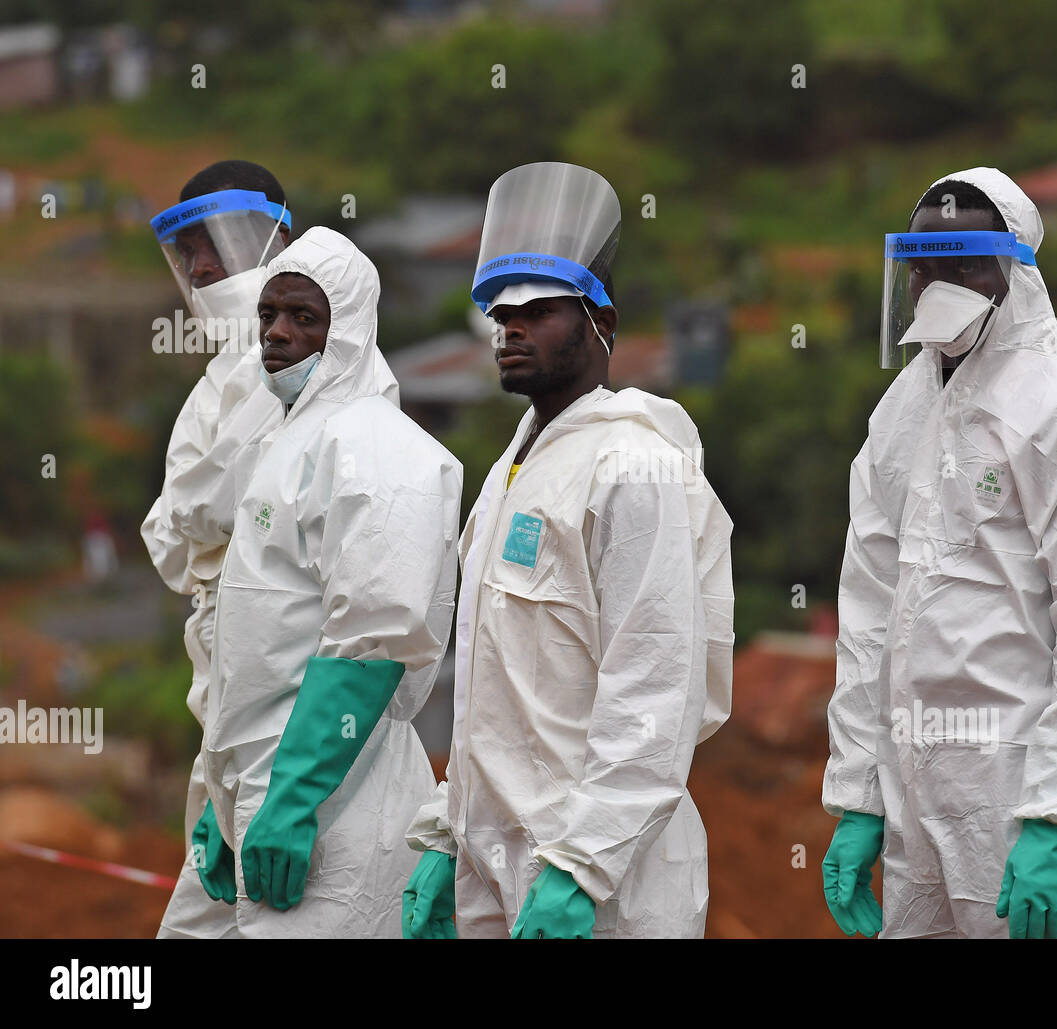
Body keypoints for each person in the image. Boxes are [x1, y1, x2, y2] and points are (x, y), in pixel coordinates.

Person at [821, 167, 1057, 939]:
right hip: (916, 802)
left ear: (1014, 272)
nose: (937, 282)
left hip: (1023, 800)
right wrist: (859, 793)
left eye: (965, 263)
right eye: (923, 262)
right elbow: (870, 614)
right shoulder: (899, 417)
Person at [402, 162, 734, 939]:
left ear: (600, 322)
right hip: (495, 861)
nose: (511, 328)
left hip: (603, 881)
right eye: (502, 313)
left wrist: (583, 866)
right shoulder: (509, 474)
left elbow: (653, 682)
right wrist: (445, 833)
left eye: (540, 310)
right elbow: (491, 688)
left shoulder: (634, 463)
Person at [156, 226, 462, 937]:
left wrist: (292, 801)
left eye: (304, 316)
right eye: (268, 315)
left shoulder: (378, 448)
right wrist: (223, 795)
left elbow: (373, 643)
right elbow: (257, 646)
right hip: (262, 794)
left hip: (334, 811)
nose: (278, 333)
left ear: (349, 330)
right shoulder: (286, 442)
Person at [141, 162, 404, 915]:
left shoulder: (326, 376)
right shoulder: (220, 377)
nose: (200, 265)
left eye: (214, 241)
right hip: (225, 717)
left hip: (300, 733)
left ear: (278, 237)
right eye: (187, 247)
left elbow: (203, 511)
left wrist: (289, 788)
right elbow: (173, 538)